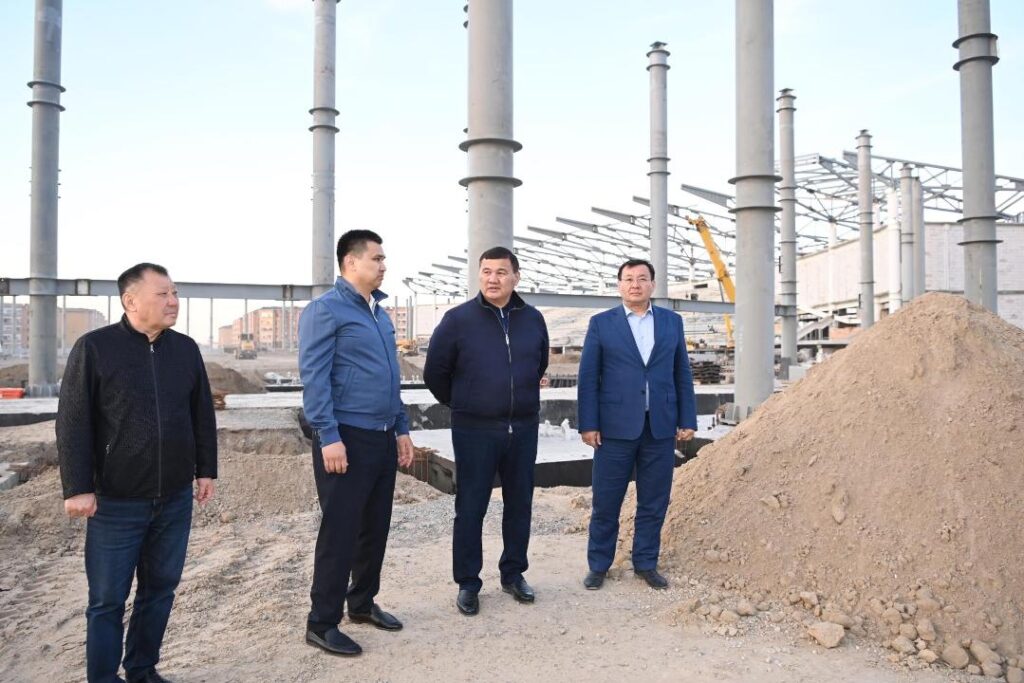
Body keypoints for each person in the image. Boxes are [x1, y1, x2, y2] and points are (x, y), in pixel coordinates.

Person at [57, 263, 217, 683]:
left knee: (160, 590)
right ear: (130, 301)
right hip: (115, 502)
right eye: (163, 294)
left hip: (174, 498)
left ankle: (142, 670)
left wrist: (206, 470)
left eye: (175, 293)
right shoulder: (95, 348)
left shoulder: (185, 349)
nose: (173, 301)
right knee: (107, 600)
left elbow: (201, 413)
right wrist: (77, 487)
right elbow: (73, 421)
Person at [299, 229, 414, 656]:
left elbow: (391, 378)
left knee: (375, 527)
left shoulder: (379, 314)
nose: (384, 266)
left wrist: (401, 427)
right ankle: (321, 622)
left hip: (381, 435)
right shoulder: (325, 310)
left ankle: (362, 603)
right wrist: (328, 435)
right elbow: (314, 378)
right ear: (350, 262)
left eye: (383, 259)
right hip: (346, 436)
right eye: (376, 259)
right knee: (341, 530)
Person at [424, 246, 549, 616]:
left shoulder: (533, 319)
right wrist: (465, 403)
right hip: (474, 429)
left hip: (523, 427)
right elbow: (435, 373)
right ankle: (468, 582)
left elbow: (539, 363)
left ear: (516, 277)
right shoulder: (458, 320)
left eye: (501, 272)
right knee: (471, 506)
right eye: (486, 272)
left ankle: (513, 573)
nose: (493, 279)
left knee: (520, 503)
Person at [576, 258, 697, 591]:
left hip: (660, 427)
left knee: (654, 500)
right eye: (628, 279)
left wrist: (687, 418)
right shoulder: (601, 324)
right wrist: (588, 424)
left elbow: (682, 372)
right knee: (606, 501)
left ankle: (646, 563)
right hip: (614, 428)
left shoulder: (672, 322)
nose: (635, 284)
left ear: (652, 285)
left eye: (642, 278)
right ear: (619, 285)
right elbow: (588, 377)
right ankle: (599, 565)